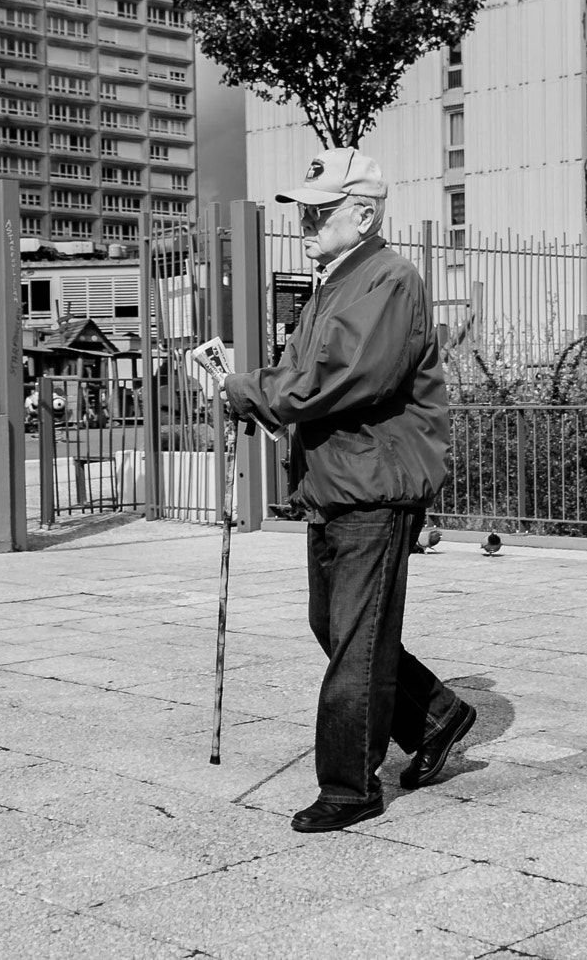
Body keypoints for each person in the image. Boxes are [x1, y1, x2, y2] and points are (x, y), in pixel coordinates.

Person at [221, 148, 476, 833]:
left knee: (354, 639)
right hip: (335, 483)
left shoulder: (389, 279)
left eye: (321, 209)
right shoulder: (335, 284)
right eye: (303, 207)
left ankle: (349, 784)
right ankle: (438, 715)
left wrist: (244, 390)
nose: (306, 219)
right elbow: (301, 374)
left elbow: (338, 379)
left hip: (372, 483)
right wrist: (242, 383)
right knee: (335, 626)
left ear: (363, 215)